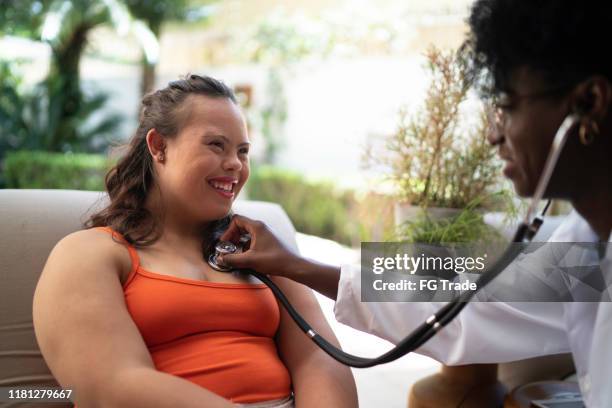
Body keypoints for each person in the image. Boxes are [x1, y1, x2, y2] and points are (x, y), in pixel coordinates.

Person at [216, 1, 612, 406]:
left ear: (589, 103)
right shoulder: (584, 246)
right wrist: (294, 264)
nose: (495, 135)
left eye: (508, 107)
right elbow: (463, 304)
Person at [32, 75, 358, 408]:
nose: (235, 164)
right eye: (216, 145)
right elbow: (114, 386)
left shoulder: (262, 253)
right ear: (159, 146)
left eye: (243, 151)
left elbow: (320, 359)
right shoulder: (90, 253)